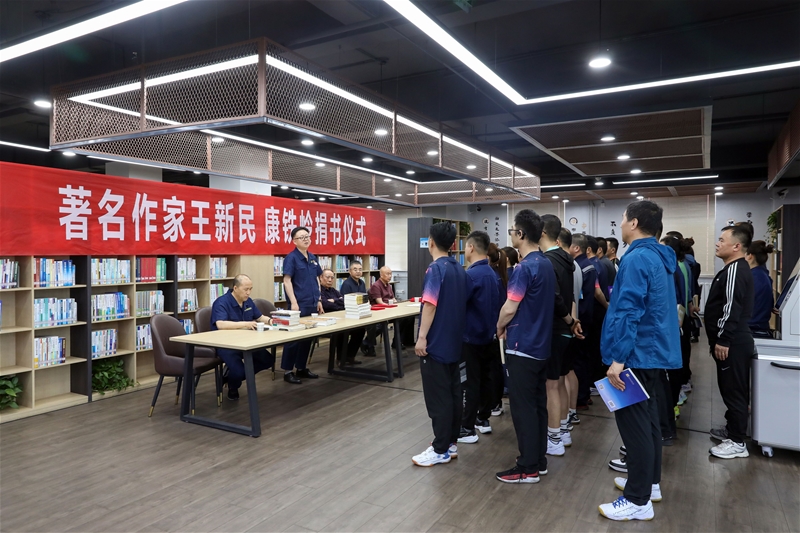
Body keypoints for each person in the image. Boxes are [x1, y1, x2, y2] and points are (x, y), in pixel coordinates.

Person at [598, 200, 681, 521]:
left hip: (635, 353)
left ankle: (637, 499)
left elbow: (629, 310)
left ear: (633, 223)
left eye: (622, 219)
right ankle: (649, 483)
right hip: (651, 352)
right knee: (648, 423)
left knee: (635, 427)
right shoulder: (658, 255)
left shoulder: (636, 258)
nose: (620, 224)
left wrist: (618, 359)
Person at [495, 209, 556, 484]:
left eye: (512, 231)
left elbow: (510, 307)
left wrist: (499, 326)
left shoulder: (524, 267)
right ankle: (538, 460)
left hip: (523, 346)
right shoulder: (545, 263)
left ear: (520, 234)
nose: (511, 235)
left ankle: (527, 466)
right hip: (541, 346)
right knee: (537, 405)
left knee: (523, 409)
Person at [412, 222, 469, 467]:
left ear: (431, 242)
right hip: (454, 340)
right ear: (454, 244)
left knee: (438, 397)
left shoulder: (435, 269)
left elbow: (430, 304)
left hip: (436, 342)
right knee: (454, 393)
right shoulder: (459, 269)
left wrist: (422, 336)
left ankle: (440, 448)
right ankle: (451, 442)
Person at [705, 225, 755, 459]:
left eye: (722, 239)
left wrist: (723, 339)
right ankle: (732, 429)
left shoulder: (735, 269)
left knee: (734, 391)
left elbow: (731, 307)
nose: (718, 243)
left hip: (732, 342)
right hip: (732, 341)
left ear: (736, 246)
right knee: (730, 388)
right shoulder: (732, 268)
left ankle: (737, 441)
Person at [541, 215, 583, 457]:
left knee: (552, 385)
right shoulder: (568, 261)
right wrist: (572, 321)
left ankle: (554, 438)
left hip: (557, 329)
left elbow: (556, 298)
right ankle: (564, 429)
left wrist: (568, 319)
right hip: (566, 330)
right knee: (561, 379)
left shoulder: (548, 261)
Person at [458, 231, 505, 444]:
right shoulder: (494, 274)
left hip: (471, 338)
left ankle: (466, 428)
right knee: (486, 379)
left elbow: (459, 305)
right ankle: (482, 419)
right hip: (490, 336)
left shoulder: (471, 275)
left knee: (469, 382)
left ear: (470, 247)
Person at [210, 274, 275, 400]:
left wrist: (271, 321)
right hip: (227, 345)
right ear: (235, 288)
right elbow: (221, 324)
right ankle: (233, 386)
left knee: (267, 360)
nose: (248, 292)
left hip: (246, 343)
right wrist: (246, 324)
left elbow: (259, 317)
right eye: (246, 289)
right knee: (239, 372)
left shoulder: (248, 301)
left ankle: (230, 377)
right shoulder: (221, 302)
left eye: (250, 289)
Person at [281, 226, 323, 384]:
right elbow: (287, 281)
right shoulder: (291, 258)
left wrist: (319, 299)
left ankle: (301, 367)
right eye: (302, 237)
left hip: (312, 303)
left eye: (307, 236)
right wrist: (293, 302)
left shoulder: (312, 257)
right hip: (298, 304)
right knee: (293, 338)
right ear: (294, 241)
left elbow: (317, 278)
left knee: (307, 337)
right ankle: (287, 371)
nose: (306, 239)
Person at [559, 228, 583, 427]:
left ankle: (564, 417)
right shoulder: (575, 265)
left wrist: (570, 321)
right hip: (573, 322)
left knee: (560, 378)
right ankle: (571, 412)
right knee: (569, 371)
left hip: (564, 324)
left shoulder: (563, 265)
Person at [570, 233, 597, 410]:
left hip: (581, 320)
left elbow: (581, 298)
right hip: (586, 318)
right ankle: (583, 395)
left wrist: (576, 321)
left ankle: (580, 397)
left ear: (577, 248)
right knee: (583, 360)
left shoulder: (580, 267)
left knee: (578, 362)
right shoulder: (587, 265)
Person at [364, 265, 415, 353]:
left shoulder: (388, 285)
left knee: (408, 317)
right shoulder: (376, 285)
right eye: (387, 274)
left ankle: (402, 341)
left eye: (390, 274)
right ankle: (368, 342)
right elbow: (380, 302)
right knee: (398, 319)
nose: (390, 276)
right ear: (381, 275)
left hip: (389, 310)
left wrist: (397, 305)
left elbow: (393, 299)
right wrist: (391, 306)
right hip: (381, 311)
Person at [319, 268, 361, 367]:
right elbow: (325, 304)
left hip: (340, 317)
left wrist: (334, 301)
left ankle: (349, 356)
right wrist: (338, 301)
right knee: (342, 331)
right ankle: (340, 359)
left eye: (332, 278)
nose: (330, 280)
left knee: (360, 330)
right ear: (321, 278)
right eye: (327, 277)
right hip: (327, 320)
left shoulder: (334, 290)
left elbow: (345, 301)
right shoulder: (318, 291)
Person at [340, 261, 368, 361]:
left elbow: (364, 298)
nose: (358, 272)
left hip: (360, 312)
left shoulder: (362, 283)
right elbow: (345, 302)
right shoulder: (346, 284)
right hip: (350, 313)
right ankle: (345, 357)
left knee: (361, 330)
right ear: (350, 271)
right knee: (357, 331)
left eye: (360, 269)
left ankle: (350, 356)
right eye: (355, 269)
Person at [745, 240, 775, 337]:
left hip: (752, 330)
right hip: (761, 328)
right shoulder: (764, 275)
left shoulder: (753, 278)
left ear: (750, 256)